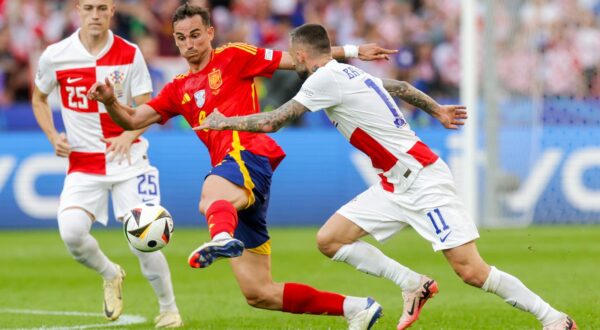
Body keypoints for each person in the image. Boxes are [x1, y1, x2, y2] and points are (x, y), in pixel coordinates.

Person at [194, 23, 578, 330]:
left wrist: (224, 121)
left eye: (294, 58)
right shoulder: (348, 73)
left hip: (423, 180)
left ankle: (553, 318)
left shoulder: (323, 79)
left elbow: (275, 121)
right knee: (330, 239)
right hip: (394, 183)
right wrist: (437, 110)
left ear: (300, 54)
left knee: (470, 271)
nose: (293, 63)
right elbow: (402, 87)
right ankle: (411, 283)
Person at [87, 4, 398, 330]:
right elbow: (134, 118)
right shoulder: (178, 89)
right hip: (238, 176)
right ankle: (356, 308)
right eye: (181, 38)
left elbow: (295, 59)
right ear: (175, 42)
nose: (189, 44)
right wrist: (110, 101)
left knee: (209, 195)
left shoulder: (234, 56)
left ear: (209, 33)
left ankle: (221, 236)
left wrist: (351, 50)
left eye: (195, 35)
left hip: (248, 153)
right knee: (258, 292)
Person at [31, 0, 182, 328]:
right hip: (83, 164)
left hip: (129, 159)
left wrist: (130, 134)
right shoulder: (56, 55)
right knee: (71, 234)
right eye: (89, 8)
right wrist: (52, 135)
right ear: (77, 10)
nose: (95, 15)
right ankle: (110, 273)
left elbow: (149, 106)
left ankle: (169, 309)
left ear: (112, 10)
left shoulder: (129, 54)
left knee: (144, 237)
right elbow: (39, 98)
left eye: (102, 8)